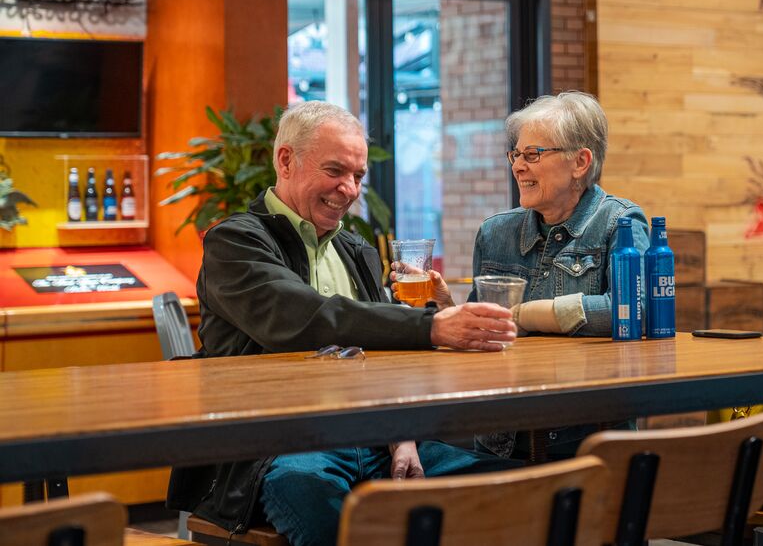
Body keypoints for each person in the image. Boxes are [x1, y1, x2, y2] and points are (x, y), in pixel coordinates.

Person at [166, 101, 518, 546]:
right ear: (286, 160)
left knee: (528, 489)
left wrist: (402, 437)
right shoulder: (235, 242)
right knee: (324, 505)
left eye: (358, 176)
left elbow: (383, 360)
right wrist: (430, 327)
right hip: (278, 451)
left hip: (375, 440)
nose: (349, 190)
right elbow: (304, 317)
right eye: (335, 171)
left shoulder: (357, 249)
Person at [472, 91, 650, 459]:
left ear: (580, 162)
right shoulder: (494, 233)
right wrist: (445, 308)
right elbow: (479, 338)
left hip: (586, 443)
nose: (518, 166)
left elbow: (634, 312)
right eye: (515, 155)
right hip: (499, 443)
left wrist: (526, 314)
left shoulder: (620, 223)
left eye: (533, 154)